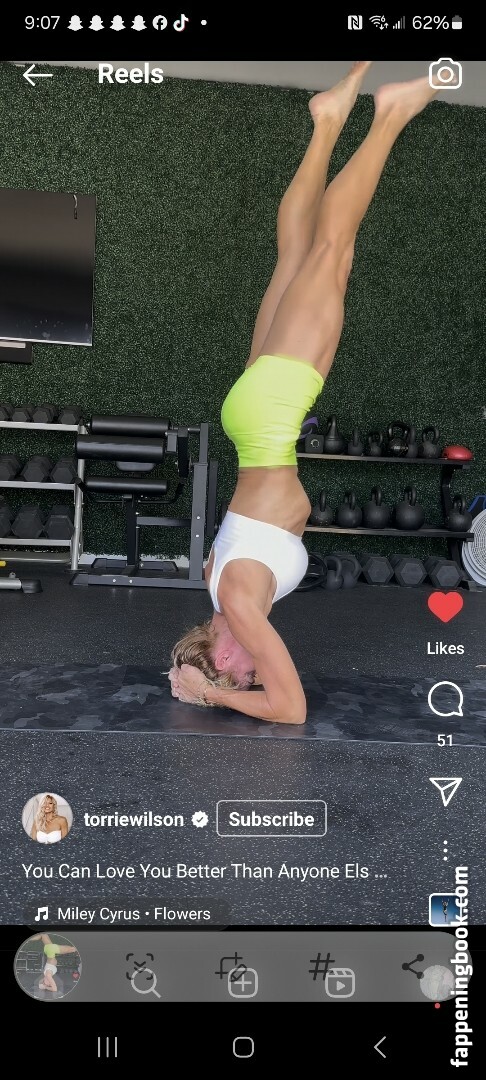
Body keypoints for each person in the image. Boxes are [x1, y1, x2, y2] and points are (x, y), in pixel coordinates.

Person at [169, 63, 440, 724]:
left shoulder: (237, 606)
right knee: (294, 255)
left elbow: (289, 708)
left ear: (223, 657)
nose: (253, 674)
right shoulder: (218, 586)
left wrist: (209, 694)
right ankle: (326, 123)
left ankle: (391, 115)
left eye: (242, 675)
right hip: (251, 415)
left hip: (271, 413)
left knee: (330, 253)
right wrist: (194, 677)